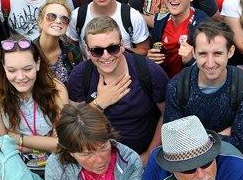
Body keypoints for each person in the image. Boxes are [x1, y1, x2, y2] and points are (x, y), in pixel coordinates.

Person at [67, 16, 168, 162]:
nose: (106, 56)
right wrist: (99, 103)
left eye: (112, 48)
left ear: (122, 45)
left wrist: (149, 155)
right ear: (87, 51)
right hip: (100, 158)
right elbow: (74, 126)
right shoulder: (81, 75)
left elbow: (167, 114)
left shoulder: (148, 71)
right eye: (97, 51)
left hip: (143, 154)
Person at [164, 19, 243, 153]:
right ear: (194, 53)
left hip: (228, 161)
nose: (210, 63)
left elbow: (241, 144)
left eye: (217, 53)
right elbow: (173, 142)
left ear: (230, 52)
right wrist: (217, 136)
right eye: (203, 54)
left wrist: (189, 137)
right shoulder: (177, 87)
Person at [0, 39, 67, 163]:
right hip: (15, 161)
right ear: (3, 67)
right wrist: (46, 143)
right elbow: (3, 144)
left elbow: (62, 143)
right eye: (11, 70)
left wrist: (17, 138)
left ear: (37, 64)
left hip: (55, 160)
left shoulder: (57, 89)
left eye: (27, 69)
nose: (20, 77)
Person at [67, 0, 150, 57]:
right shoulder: (77, 16)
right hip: (90, 70)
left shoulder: (131, 15)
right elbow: (70, 49)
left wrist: (119, 51)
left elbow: (144, 50)